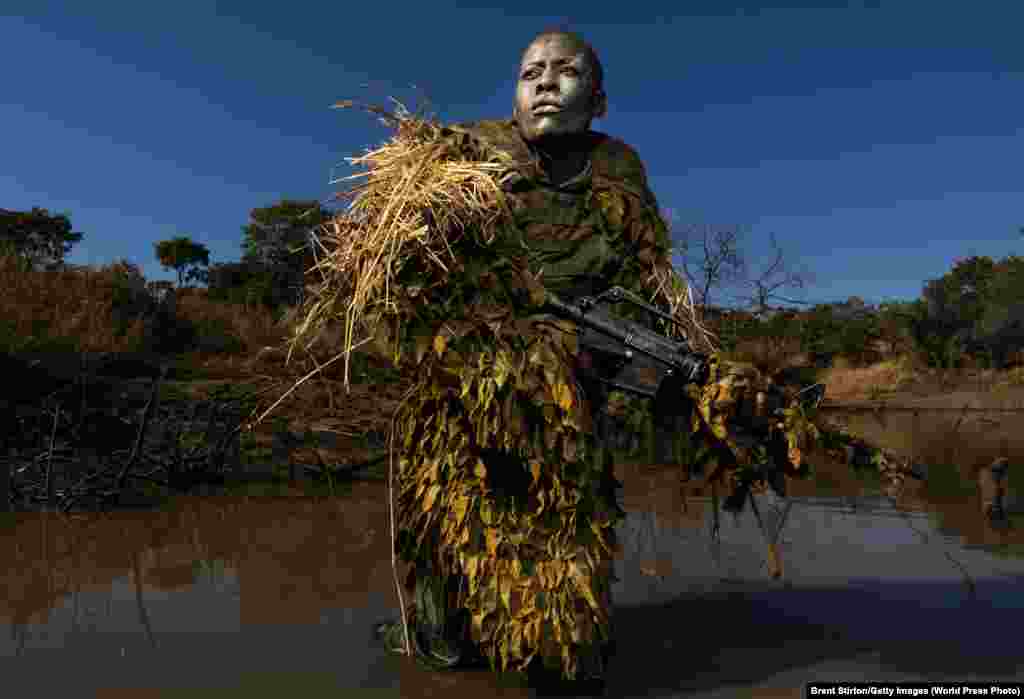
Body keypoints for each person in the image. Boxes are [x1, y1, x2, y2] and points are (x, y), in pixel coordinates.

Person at [373, 28, 673, 693]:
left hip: (571, 379)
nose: (544, 82)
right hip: (468, 378)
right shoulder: (469, 149)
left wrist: (642, 364)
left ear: (597, 99)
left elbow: (648, 274)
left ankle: (558, 654)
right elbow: (401, 252)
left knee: (564, 531)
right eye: (530, 71)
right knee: (452, 526)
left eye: (565, 71)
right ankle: (443, 634)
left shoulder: (619, 166)